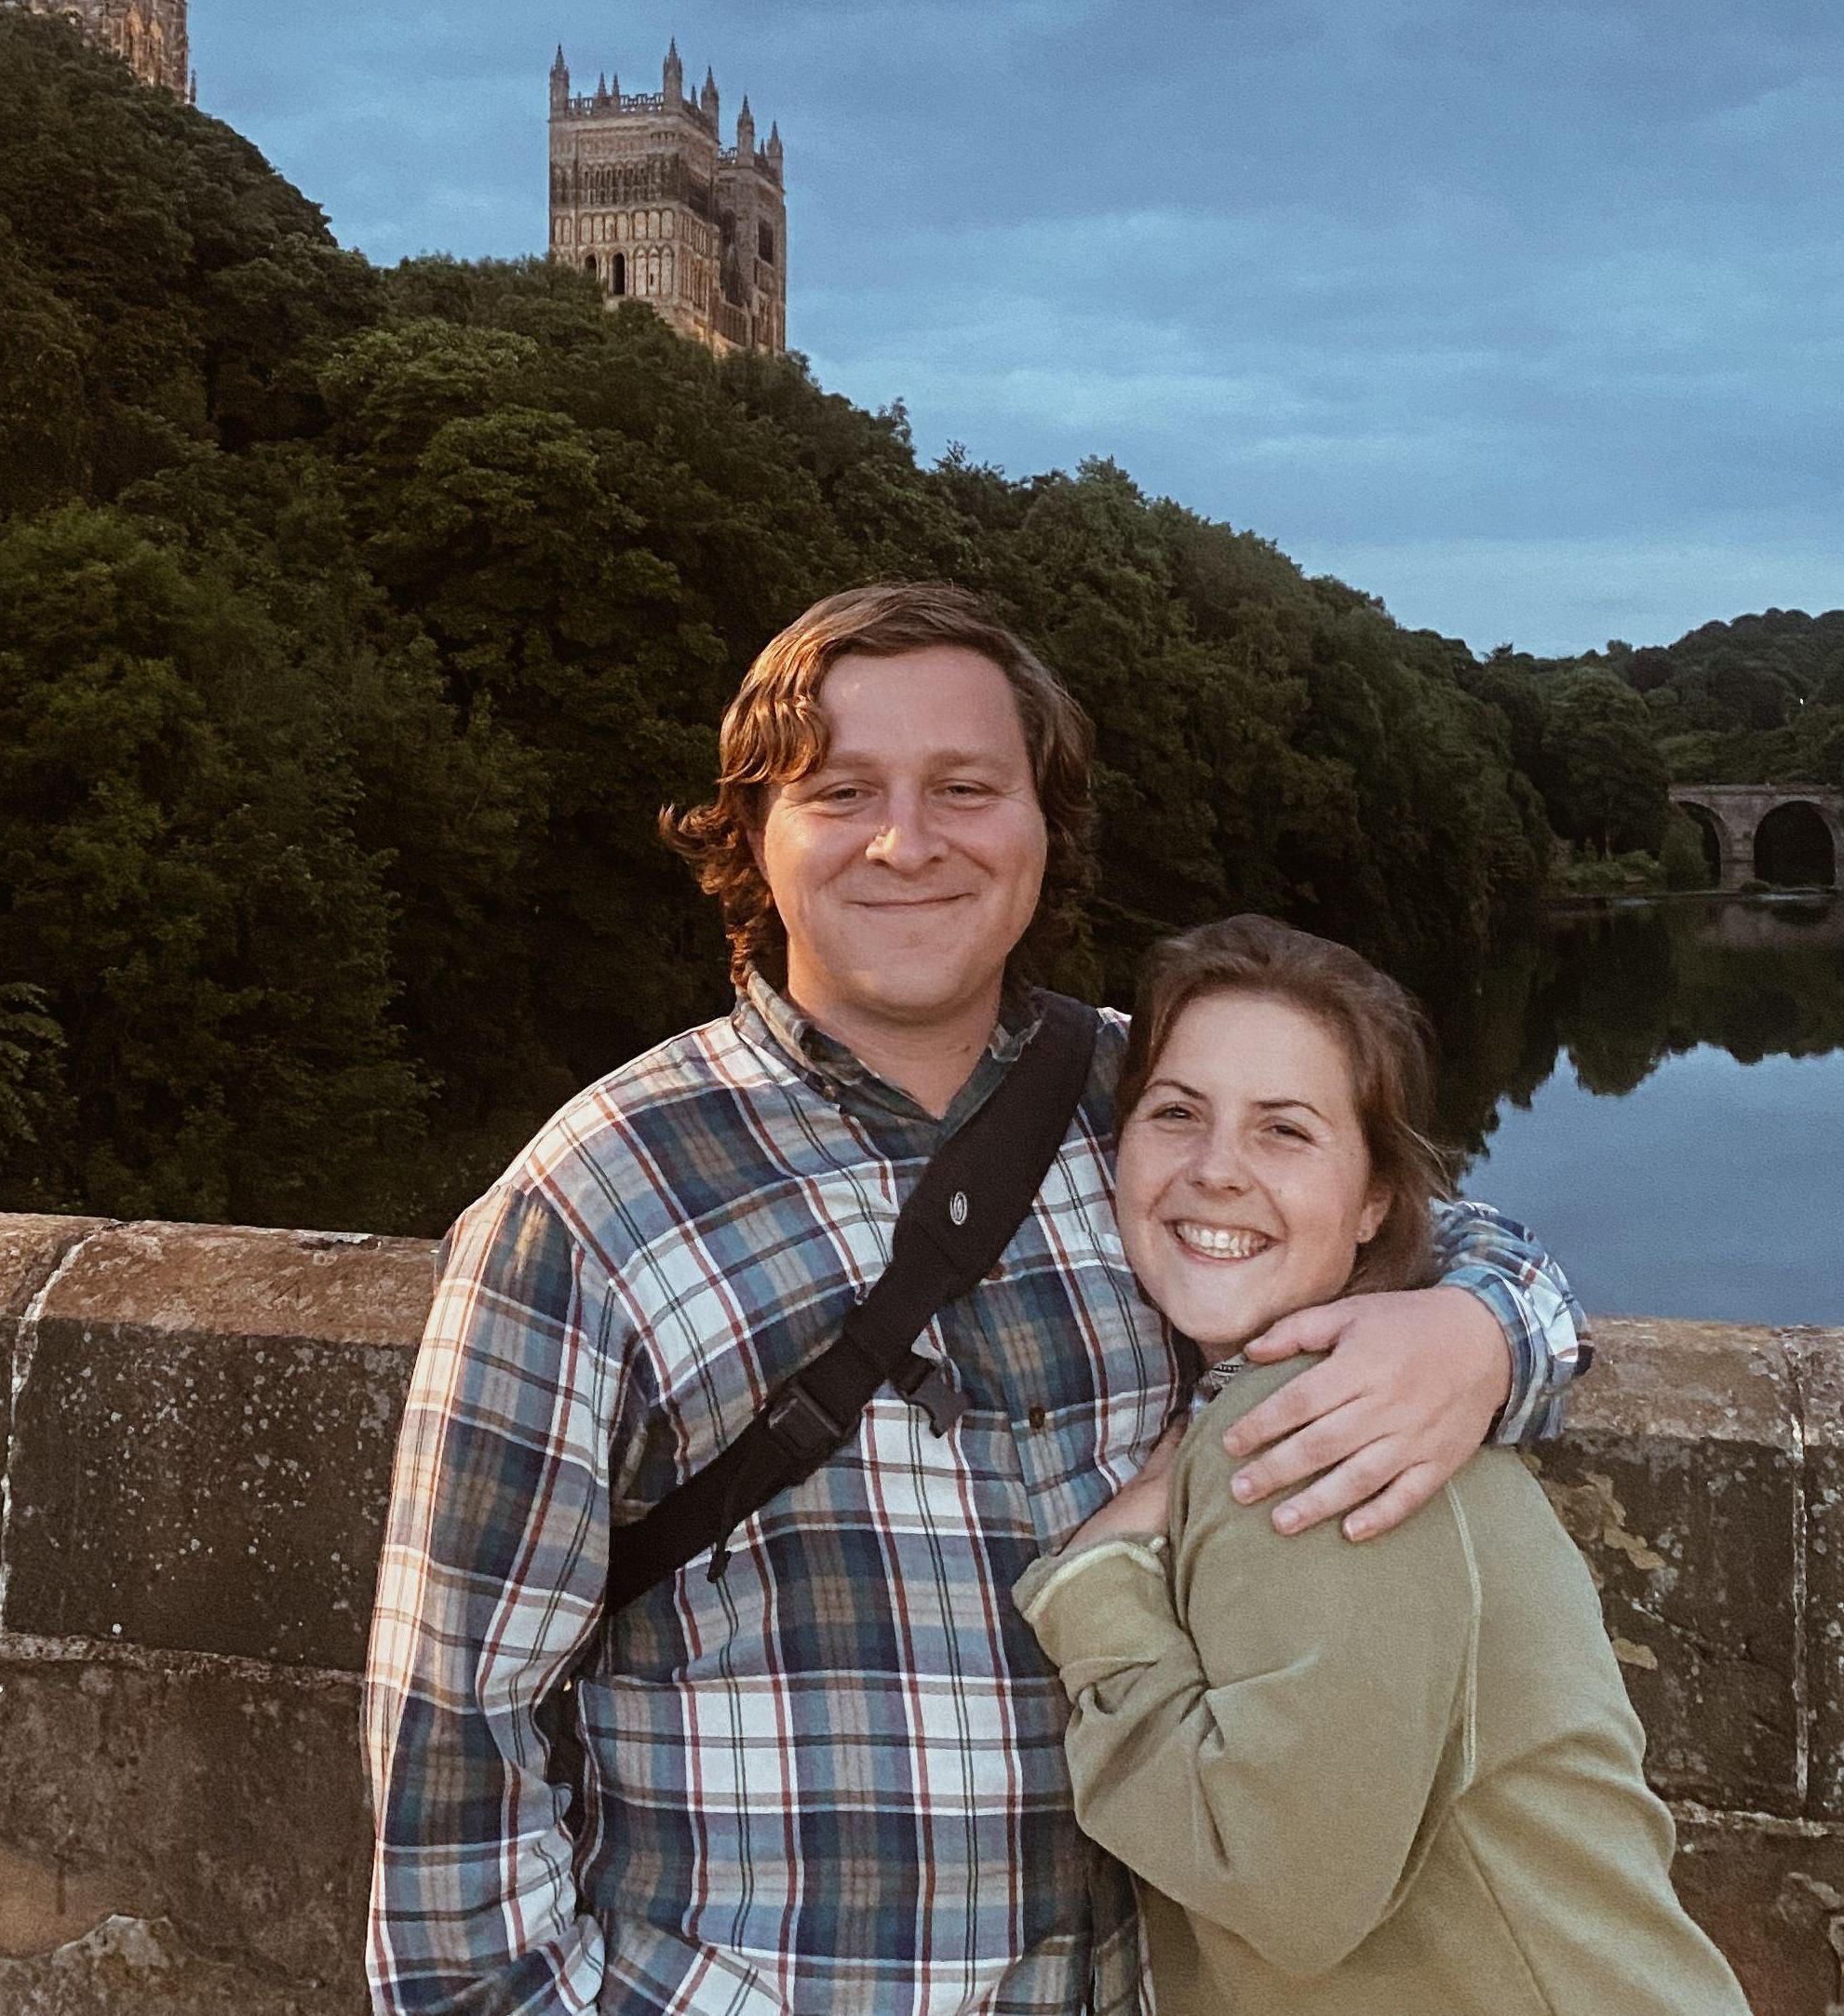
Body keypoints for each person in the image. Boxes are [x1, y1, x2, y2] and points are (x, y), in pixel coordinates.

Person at [362, 583, 1591, 2016]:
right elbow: (454, 1725)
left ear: (1040, 826)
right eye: (841, 792)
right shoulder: (591, 1200)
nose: (907, 840)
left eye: (964, 786)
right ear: (753, 832)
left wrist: (1481, 1332)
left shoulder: (1154, 1103)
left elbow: (1446, 1231)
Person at [1015, 913, 1748, 2015]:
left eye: (1284, 1131)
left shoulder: (1326, 1431)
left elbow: (1284, 1892)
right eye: (1175, 1114)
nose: (1215, 1170)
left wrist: (1098, 1590)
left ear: (1374, 1202)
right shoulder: (1318, 1388)